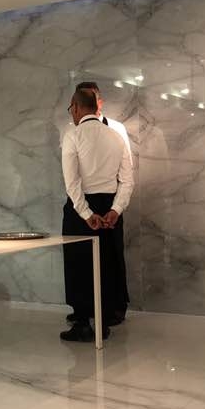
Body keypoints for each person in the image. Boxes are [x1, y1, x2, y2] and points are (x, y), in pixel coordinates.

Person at [60, 88, 134, 342]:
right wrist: (115, 210)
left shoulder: (73, 135)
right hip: (110, 205)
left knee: (79, 264)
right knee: (108, 262)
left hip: (81, 209)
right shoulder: (116, 136)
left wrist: (85, 213)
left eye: (71, 109)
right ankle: (104, 321)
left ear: (76, 107)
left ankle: (82, 323)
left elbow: (72, 183)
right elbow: (127, 180)